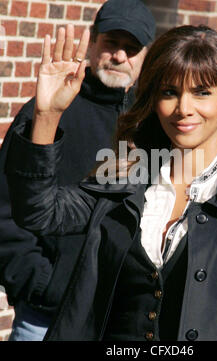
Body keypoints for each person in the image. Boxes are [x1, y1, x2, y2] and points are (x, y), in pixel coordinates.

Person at [5, 24, 217, 341]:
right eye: (169, 92)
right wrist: (47, 114)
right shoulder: (125, 177)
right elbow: (38, 213)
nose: (184, 109)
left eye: (201, 92)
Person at [0, 0, 155, 341]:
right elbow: (6, 208)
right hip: (46, 317)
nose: (119, 56)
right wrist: (41, 283)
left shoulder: (149, 125)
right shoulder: (46, 112)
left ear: (146, 56)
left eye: (132, 49)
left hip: (115, 320)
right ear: (93, 41)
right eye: (112, 43)